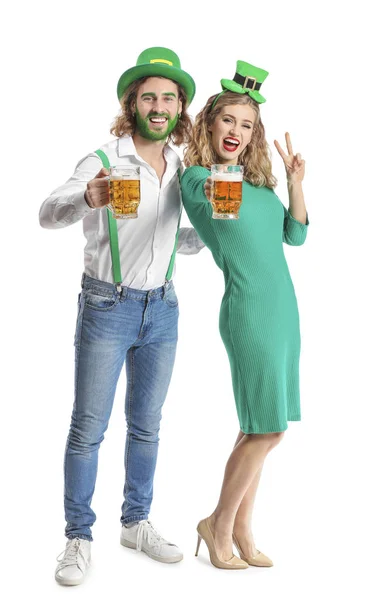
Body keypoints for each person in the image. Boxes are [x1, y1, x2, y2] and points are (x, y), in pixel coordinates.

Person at [39, 47, 204, 585]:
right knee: (88, 429)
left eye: (169, 97)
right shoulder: (105, 159)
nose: (159, 105)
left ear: (180, 107)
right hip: (107, 306)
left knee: (147, 427)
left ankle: (136, 523)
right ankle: (77, 538)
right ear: (132, 102)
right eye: (149, 96)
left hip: (164, 308)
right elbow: (47, 214)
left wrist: (212, 229)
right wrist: (89, 195)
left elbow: (178, 241)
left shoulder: (183, 167)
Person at [181, 60, 308, 570]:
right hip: (248, 310)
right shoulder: (198, 179)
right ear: (210, 122)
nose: (237, 131)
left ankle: (242, 530)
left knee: (259, 424)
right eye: (228, 120)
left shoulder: (260, 185)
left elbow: (295, 234)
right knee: (268, 431)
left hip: (283, 309)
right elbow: (222, 209)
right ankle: (218, 524)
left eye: (247, 124)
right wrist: (228, 157)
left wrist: (295, 180)